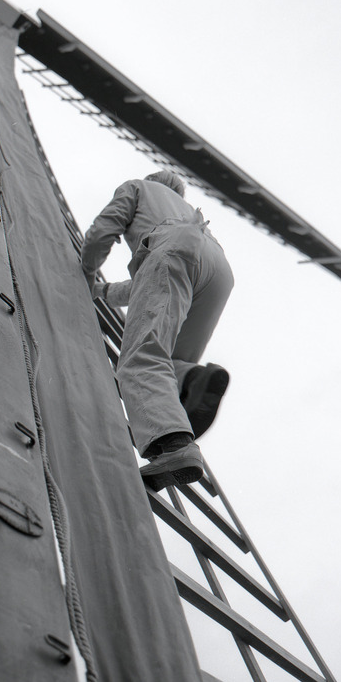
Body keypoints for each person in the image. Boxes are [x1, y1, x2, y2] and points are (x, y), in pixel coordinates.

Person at [81, 171, 234, 490]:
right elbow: (150, 282)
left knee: (141, 359)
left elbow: (103, 231)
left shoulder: (137, 187)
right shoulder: (181, 209)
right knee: (165, 360)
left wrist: (85, 272)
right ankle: (195, 380)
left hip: (176, 251)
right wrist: (105, 291)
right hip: (217, 269)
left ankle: (176, 447)